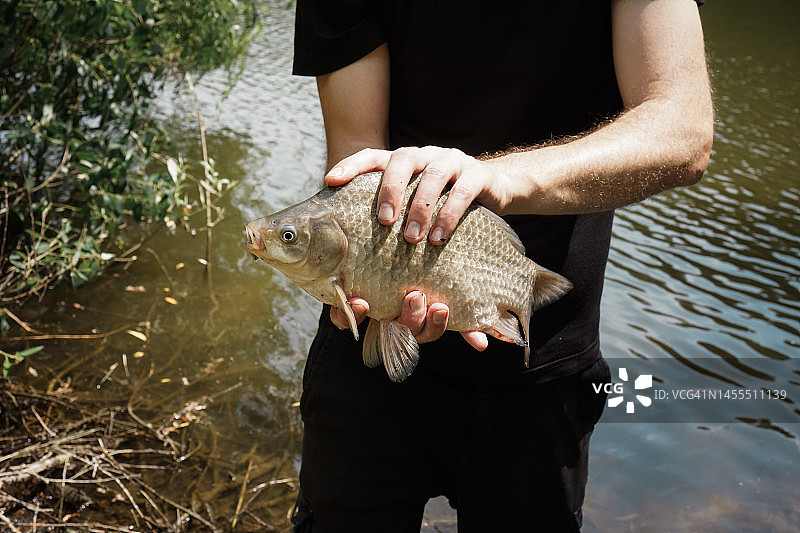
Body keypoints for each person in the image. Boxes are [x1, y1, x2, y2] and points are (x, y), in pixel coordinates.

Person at [290, 1, 713, 531]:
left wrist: (501, 180)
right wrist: (364, 284)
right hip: (370, 353)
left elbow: (683, 132)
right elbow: (356, 157)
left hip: (544, 362)